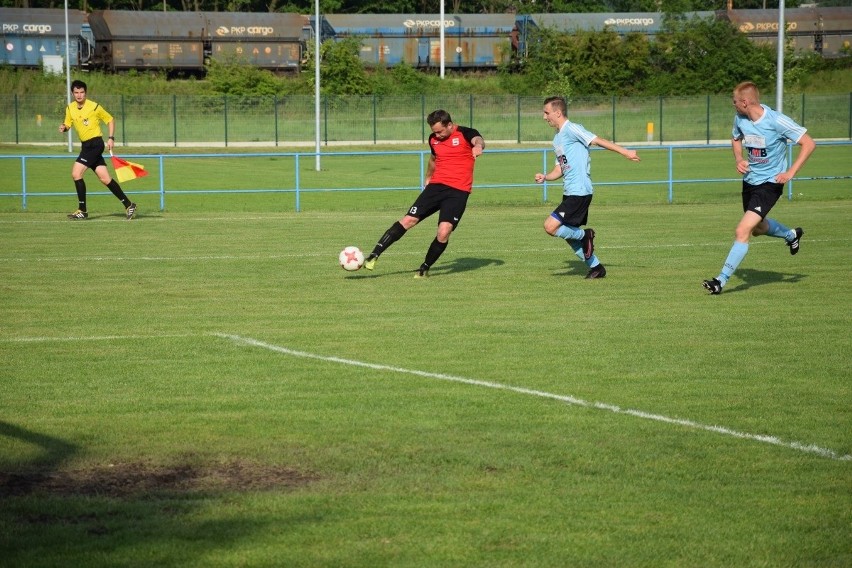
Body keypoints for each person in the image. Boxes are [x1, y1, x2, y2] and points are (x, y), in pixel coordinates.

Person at [702, 81, 815, 295]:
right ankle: (791, 235)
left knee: (742, 230)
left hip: (770, 185)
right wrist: (738, 158)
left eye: (735, 102)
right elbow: (736, 138)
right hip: (750, 182)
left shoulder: (777, 121)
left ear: (745, 102)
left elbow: (809, 143)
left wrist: (790, 172)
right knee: (758, 229)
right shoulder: (740, 119)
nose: (733, 105)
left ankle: (720, 281)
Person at [363, 109, 484, 278]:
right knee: (408, 220)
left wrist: (478, 146)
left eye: (440, 131)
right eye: (434, 132)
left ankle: (425, 268)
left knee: (444, 231)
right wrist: (428, 176)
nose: (437, 135)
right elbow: (434, 159)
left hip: (458, 191)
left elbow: (478, 140)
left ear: (449, 125)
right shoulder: (433, 139)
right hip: (435, 187)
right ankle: (373, 255)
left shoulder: (465, 133)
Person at [534, 96, 640, 279]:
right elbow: (560, 168)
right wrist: (546, 177)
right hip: (570, 192)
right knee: (567, 234)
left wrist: (625, 152)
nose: (544, 117)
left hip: (580, 191)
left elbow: (597, 140)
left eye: (546, 112)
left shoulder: (572, 128)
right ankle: (597, 268)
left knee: (550, 226)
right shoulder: (557, 138)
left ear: (558, 112)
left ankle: (585, 235)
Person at [59, 80, 137, 220]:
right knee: (105, 178)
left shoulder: (94, 107)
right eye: (76, 92)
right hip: (86, 146)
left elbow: (110, 119)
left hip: (95, 144)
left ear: (86, 93)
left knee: (76, 174)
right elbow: (68, 123)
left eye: (82, 92)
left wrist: (111, 138)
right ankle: (129, 204)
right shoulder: (70, 108)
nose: (79, 95)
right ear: (72, 93)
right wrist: (64, 127)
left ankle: (82, 210)